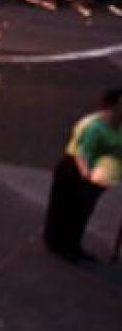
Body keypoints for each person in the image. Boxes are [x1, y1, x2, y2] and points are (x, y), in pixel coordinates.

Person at [43, 88, 122, 262]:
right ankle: (61, 244)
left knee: (82, 211)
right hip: (76, 170)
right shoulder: (94, 128)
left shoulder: (116, 125)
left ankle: (72, 245)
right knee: (69, 208)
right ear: (112, 106)